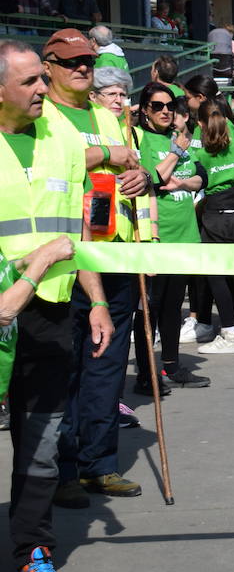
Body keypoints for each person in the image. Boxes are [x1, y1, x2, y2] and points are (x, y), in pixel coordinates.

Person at [0, 40, 113, 572]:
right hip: (0, 309)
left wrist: (94, 301)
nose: (44, 89)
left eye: (42, 81)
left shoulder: (62, 137)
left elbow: (79, 232)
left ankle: (32, 554)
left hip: (49, 313)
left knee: (41, 441)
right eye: (30, 83)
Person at [39, 32, 150, 507]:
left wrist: (142, 176)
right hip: (64, 259)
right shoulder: (40, 115)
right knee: (65, 369)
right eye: (71, 62)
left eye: (88, 60)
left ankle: (99, 465)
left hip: (115, 254)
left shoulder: (108, 115)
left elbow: (134, 168)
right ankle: (61, 470)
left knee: (106, 368)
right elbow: (58, 163)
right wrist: (108, 154)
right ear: (49, 66)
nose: (82, 68)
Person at [0, 232, 76, 572]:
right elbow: (1, 311)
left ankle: (33, 553)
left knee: (41, 446)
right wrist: (42, 261)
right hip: (15, 313)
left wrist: (22, 262)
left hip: (48, 324)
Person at [135, 88, 211, 388]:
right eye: (157, 106)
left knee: (172, 307)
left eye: (169, 106)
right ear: (145, 110)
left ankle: (171, 366)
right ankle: (145, 374)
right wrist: (175, 154)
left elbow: (201, 177)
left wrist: (180, 179)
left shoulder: (179, 138)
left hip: (185, 237)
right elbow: (152, 177)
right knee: (149, 310)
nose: (165, 111)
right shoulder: (139, 139)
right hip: (157, 238)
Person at [192, 100, 234, 355]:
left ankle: (229, 333)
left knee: (218, 276)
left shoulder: (202, 154)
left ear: (200, 124)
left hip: (214, 215)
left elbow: (197, 183)